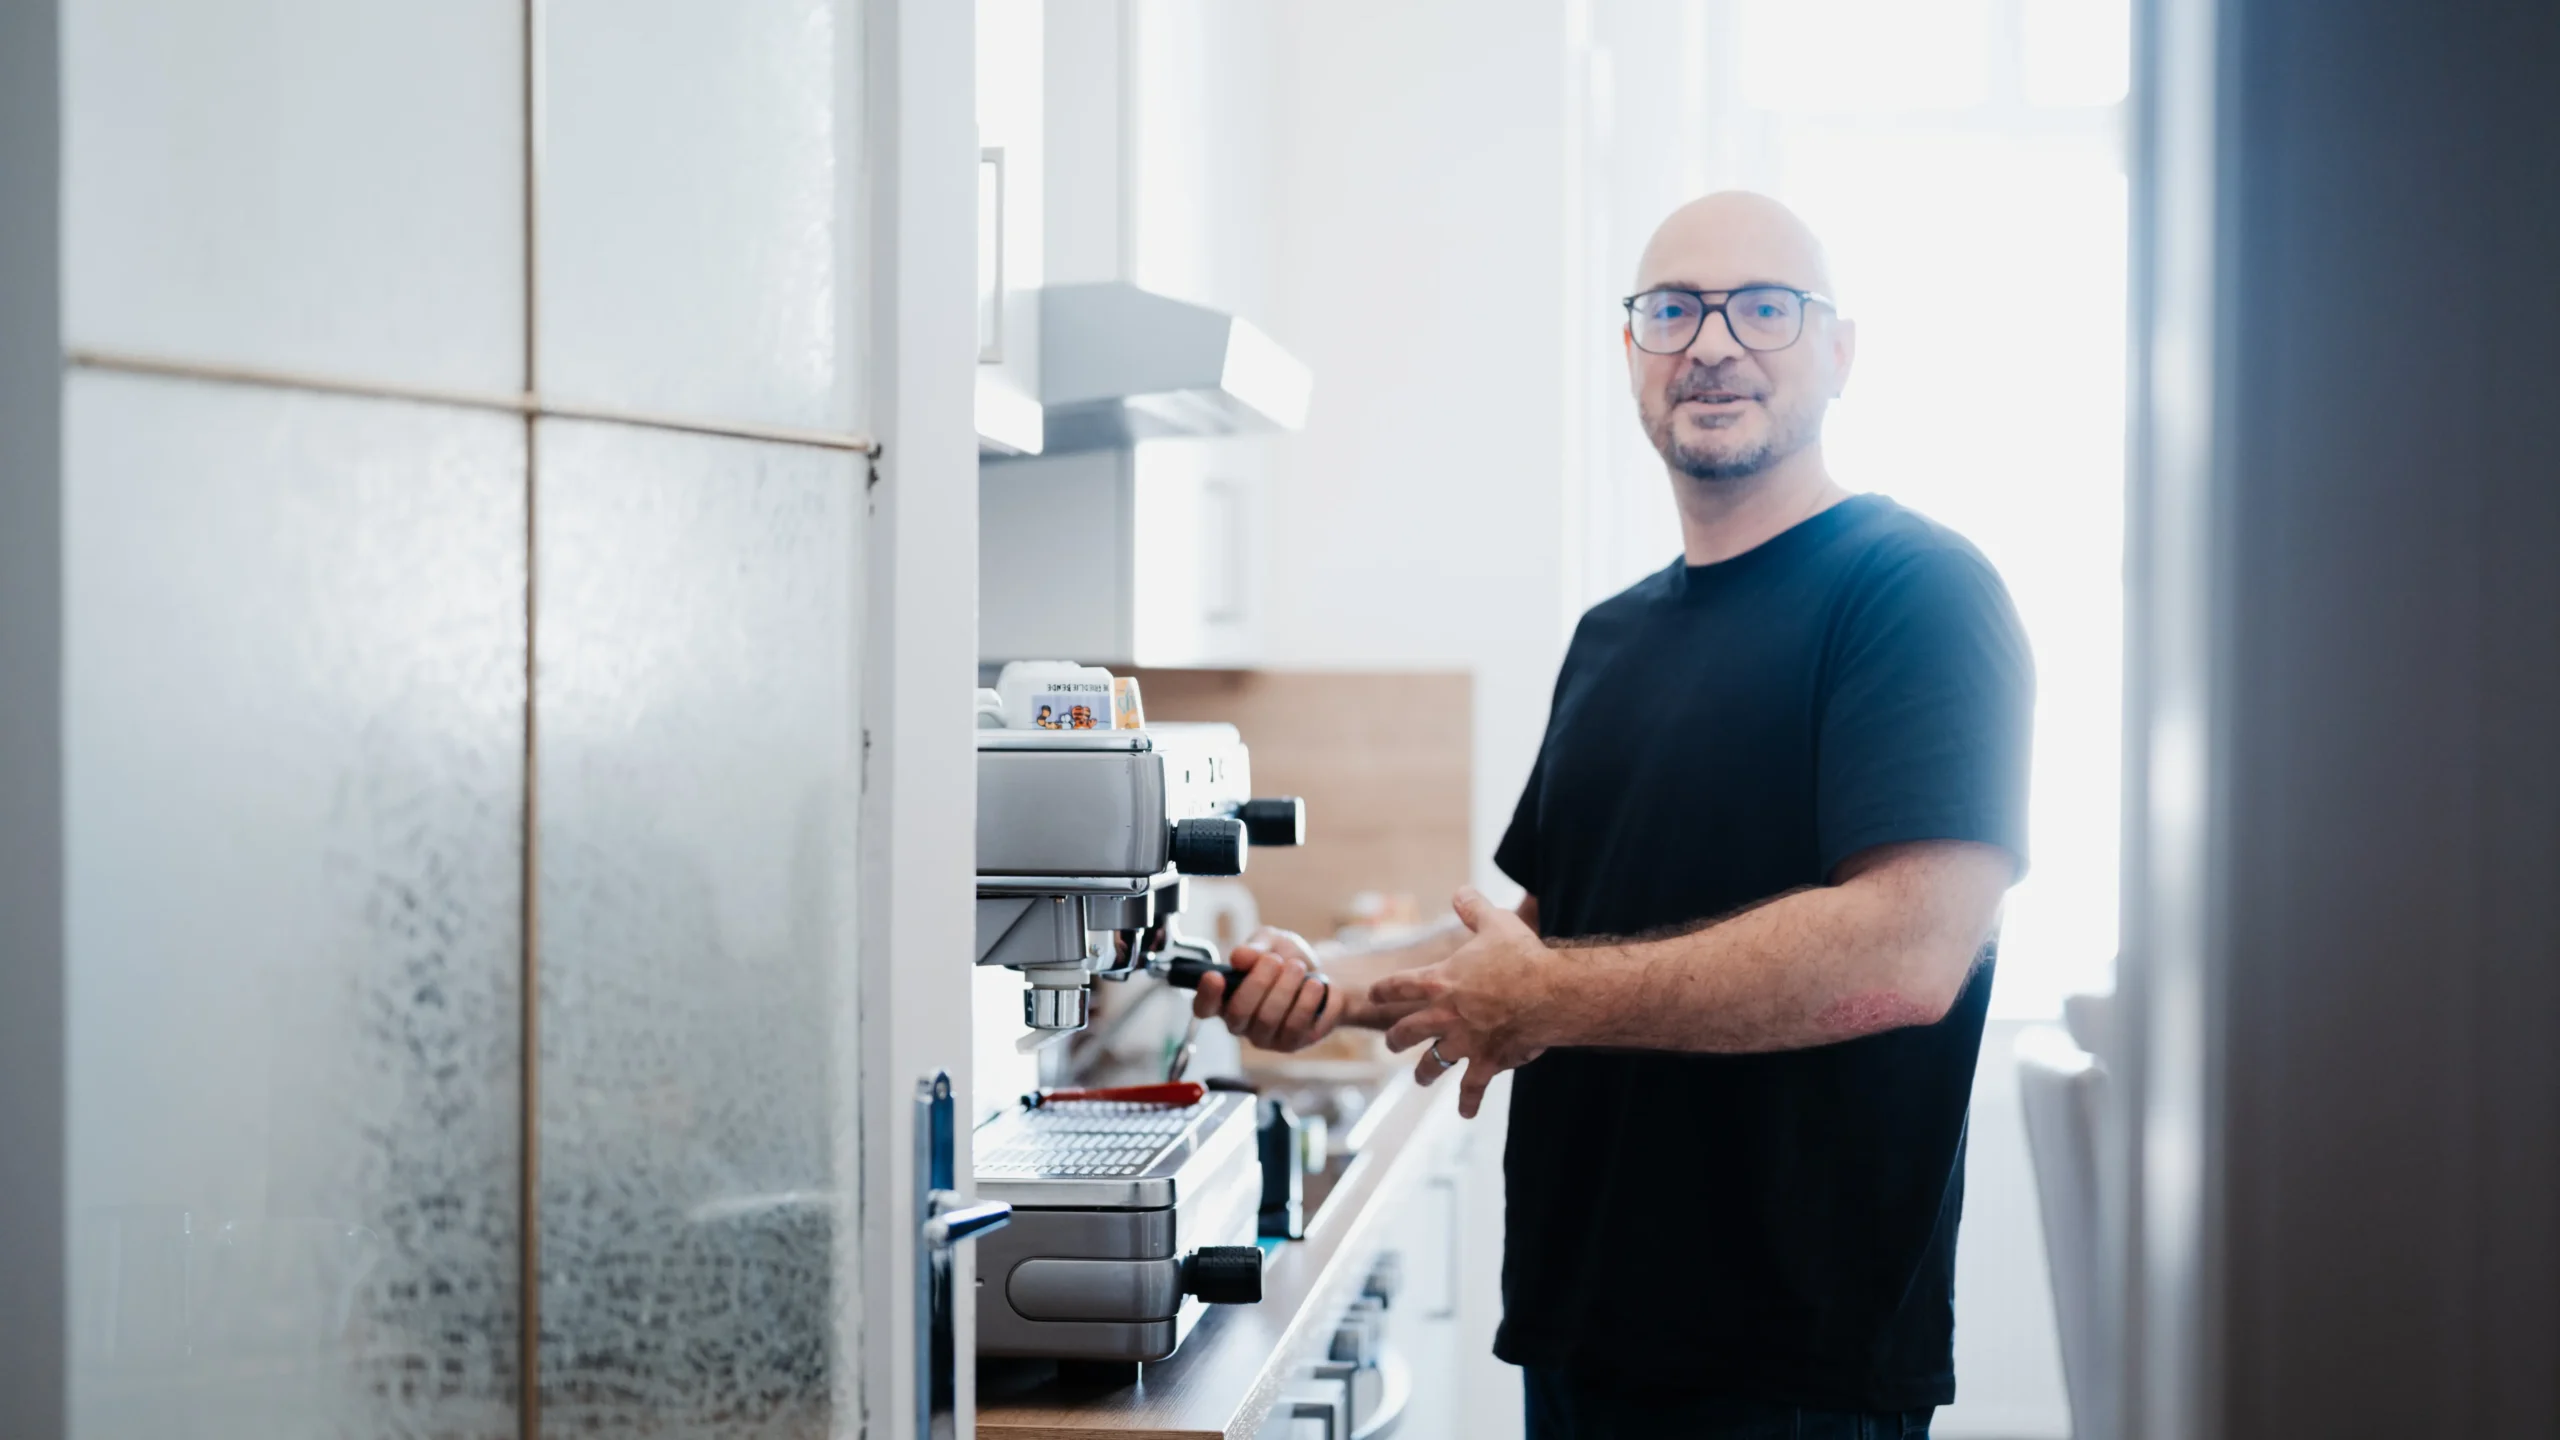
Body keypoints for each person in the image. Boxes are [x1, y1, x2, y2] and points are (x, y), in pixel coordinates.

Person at [1188, 191, 2033, 1439]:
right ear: (1632, 351)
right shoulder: (1615, 637)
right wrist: (1331, 983)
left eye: (1762, 308)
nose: (1711, 344)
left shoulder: (1914, 593)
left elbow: (1909, 955)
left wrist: (1549, 1000)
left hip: (1784, 1372)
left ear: (1839, 351)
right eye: (1671, 310)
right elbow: (1528, 945)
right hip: (1585, 1335)